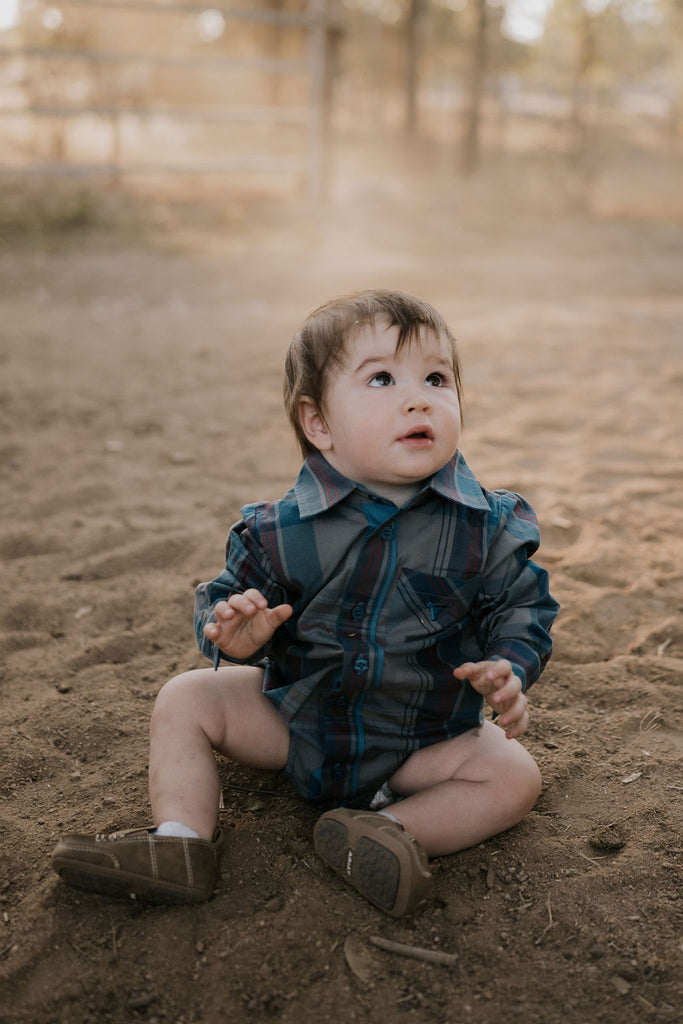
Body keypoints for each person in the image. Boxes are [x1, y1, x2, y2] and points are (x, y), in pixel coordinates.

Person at [52, 290, 559, 917]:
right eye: (381, 378)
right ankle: (181, 841)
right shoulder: (278, 529)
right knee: (185, 697)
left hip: (422, 736)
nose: (419, 396)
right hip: (298, 722)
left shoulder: (488, 523)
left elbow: (522, 605)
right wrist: (233, 636)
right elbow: (224, 600)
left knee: (514, 776)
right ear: (318, 423)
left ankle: (388, 832)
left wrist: (510, 662)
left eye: (437, 377)